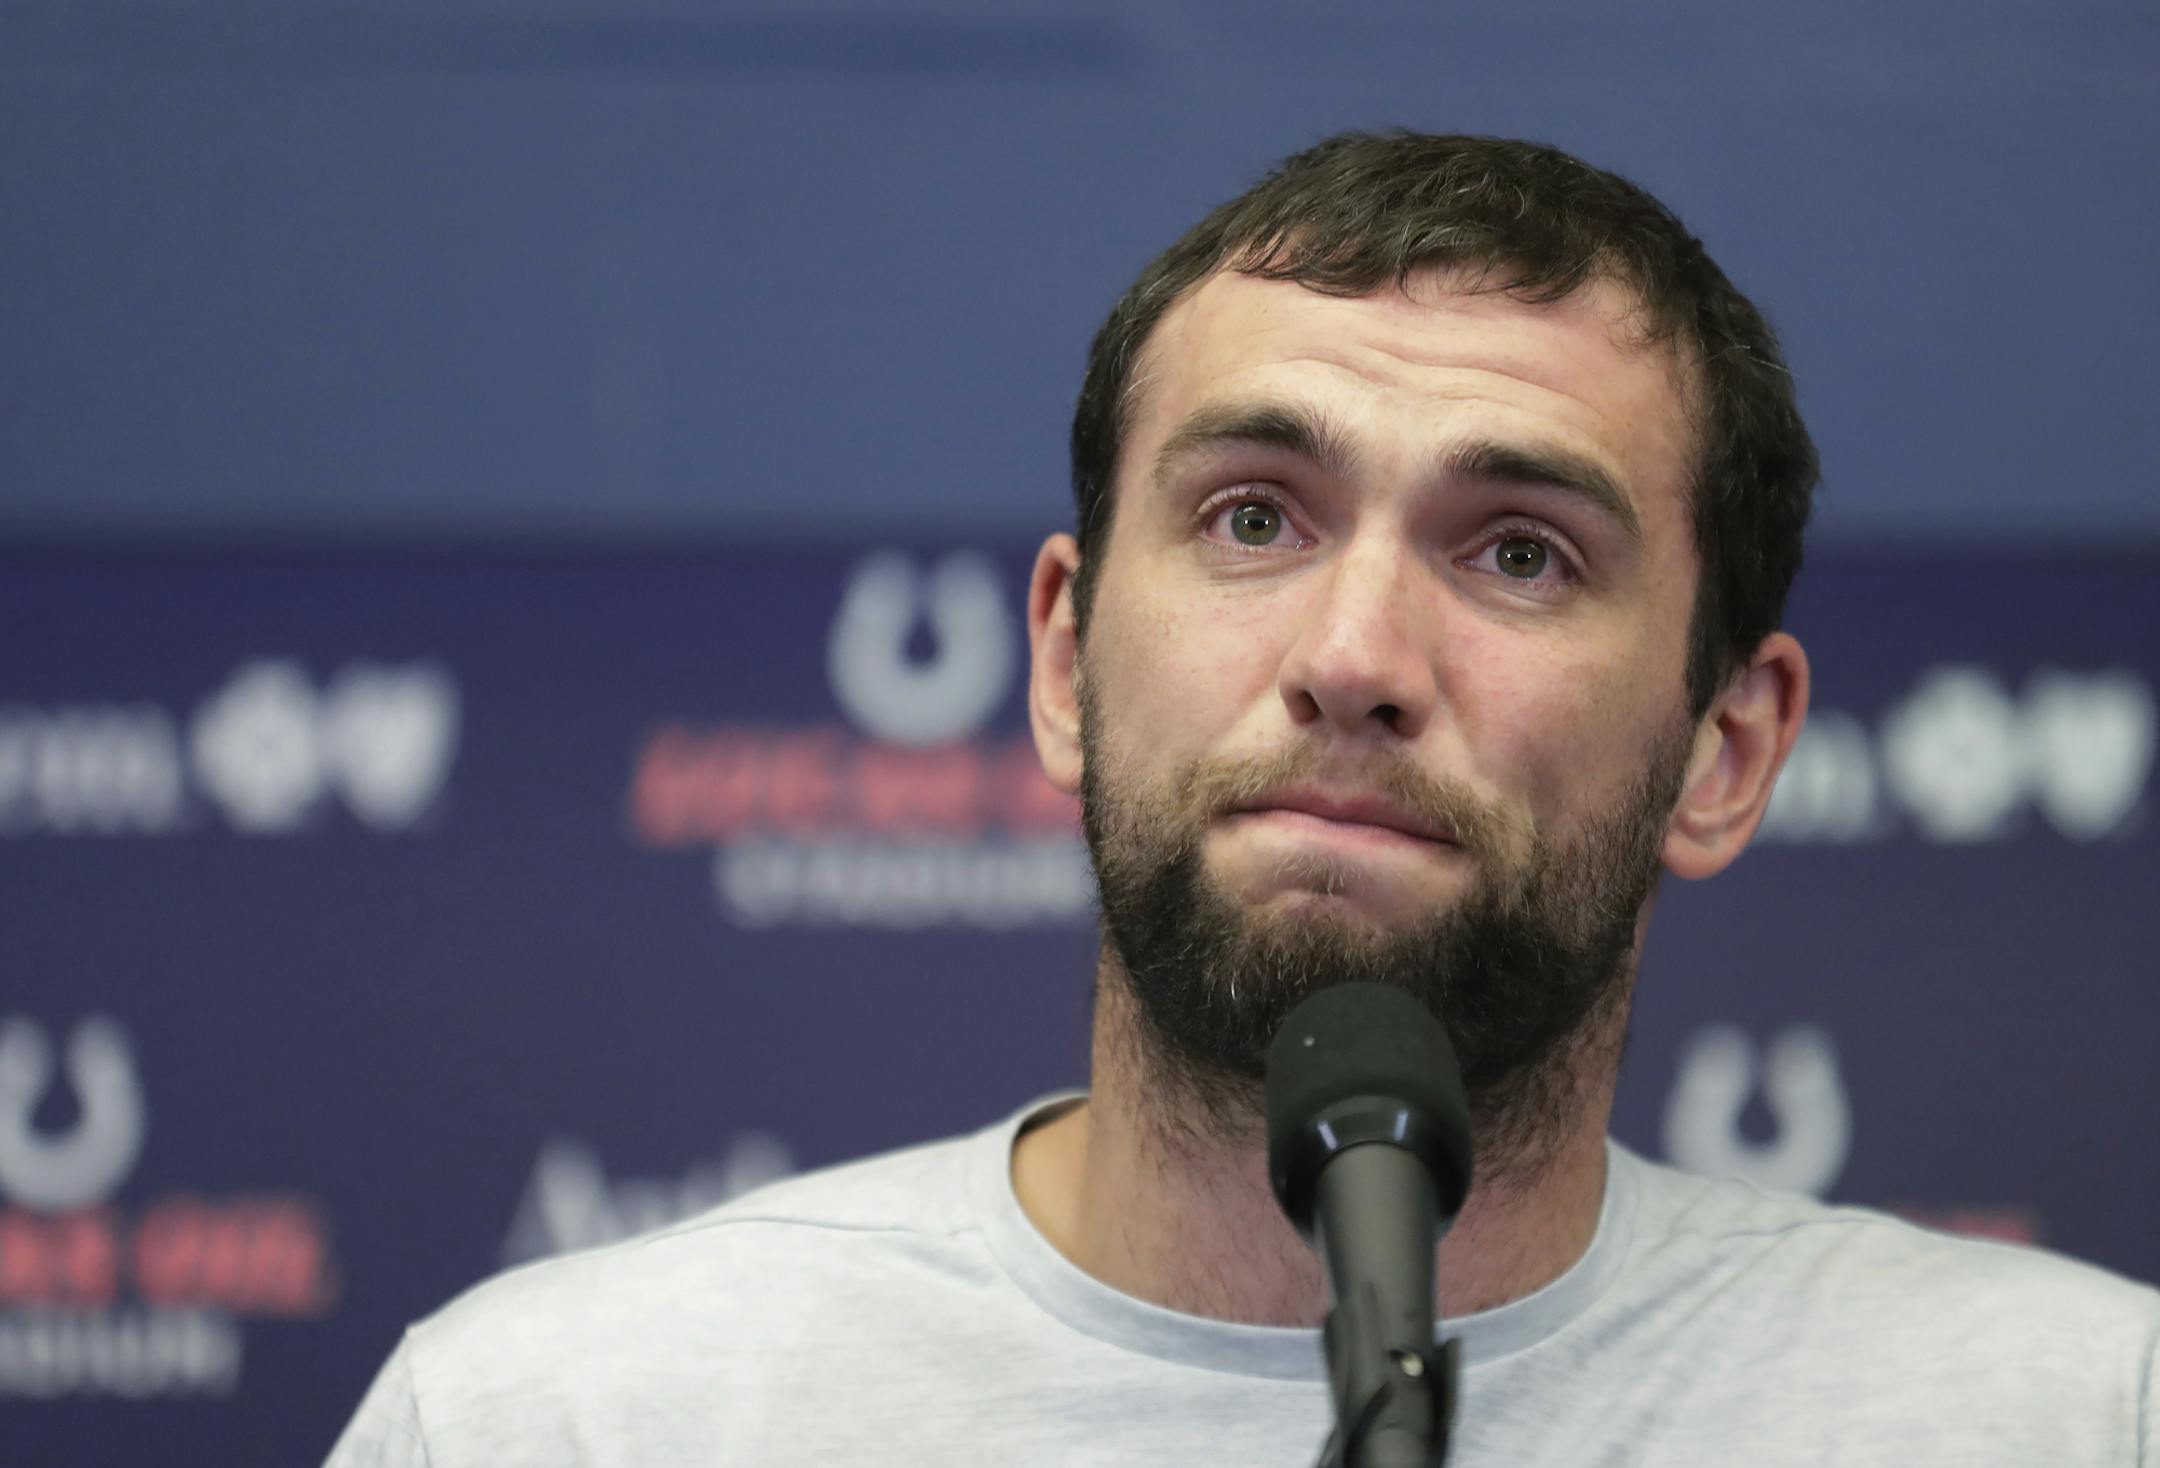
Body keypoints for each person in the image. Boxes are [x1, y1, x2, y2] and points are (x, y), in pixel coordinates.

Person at [326, 131, 2159, 1466]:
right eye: (1253, 518)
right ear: (1061, 660)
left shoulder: (2070, 1420)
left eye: (1519, 553)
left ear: (1727, 747)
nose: (1356, 650)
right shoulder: (562, 1423)